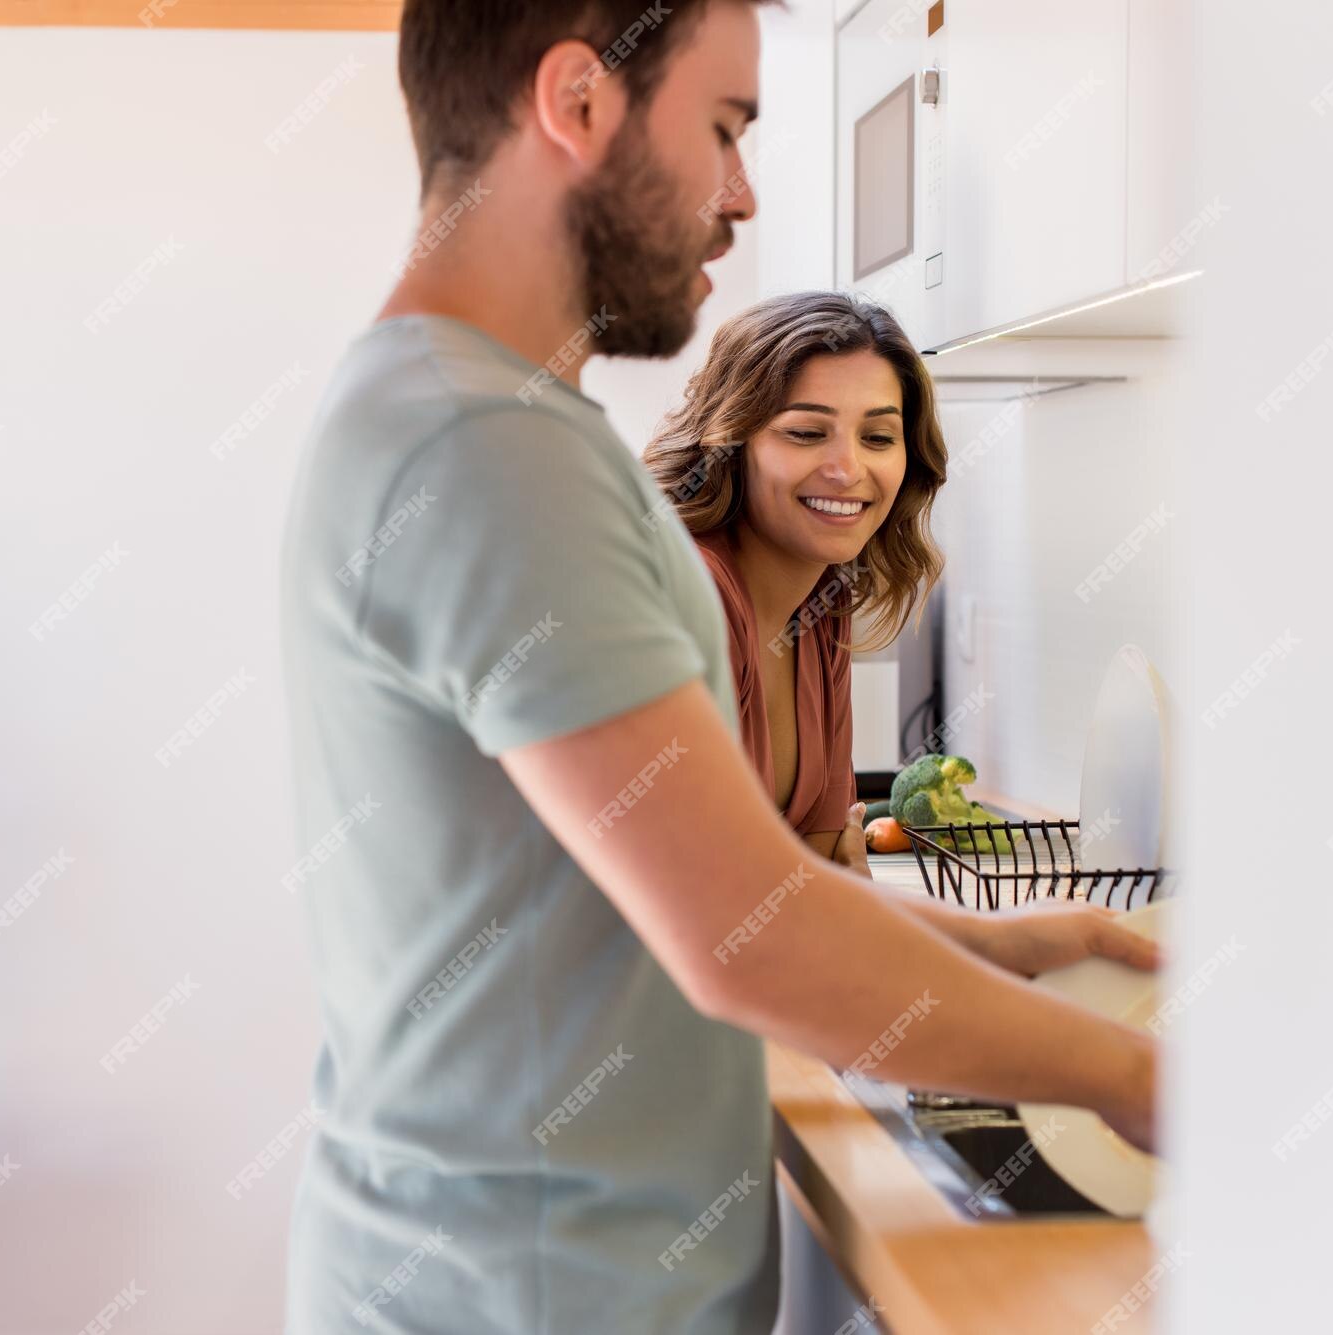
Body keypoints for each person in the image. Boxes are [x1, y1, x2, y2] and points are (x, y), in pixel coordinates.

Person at [278, 3, 1159, 1331]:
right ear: (576, 102)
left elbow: (724, 881)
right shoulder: (484, 448)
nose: (740, 195)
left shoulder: (482, 421)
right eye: (726, 128)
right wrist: (1137, 1074)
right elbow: (749, 931)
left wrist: (1025, 937)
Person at [645, 290, 945, 870]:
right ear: (731, 444)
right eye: (806, 433)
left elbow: (823, 866)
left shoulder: (823, 606)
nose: (848, 470)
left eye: (878, 438)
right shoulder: (689, 594)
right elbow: (708, 888)